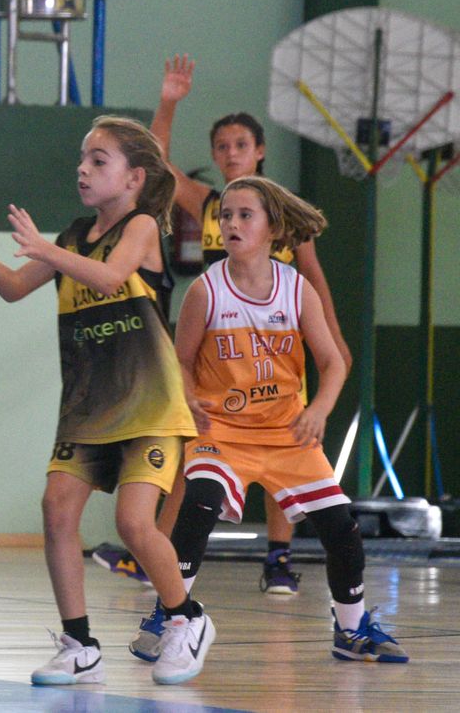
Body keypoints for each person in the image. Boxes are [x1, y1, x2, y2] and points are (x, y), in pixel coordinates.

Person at [0, 115, 212, 686]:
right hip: (87, 406)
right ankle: (79, 644)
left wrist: (46, 252)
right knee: (56, 512)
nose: (83, 168)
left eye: (98, 160)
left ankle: (187, 619)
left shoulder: (142, 228)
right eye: (82, 159)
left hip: (149, 402)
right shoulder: (72, 238)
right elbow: (12, 287)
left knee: (133, 522)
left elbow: (110, 279)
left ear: (133, 178)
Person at [94, 56, 352, 597]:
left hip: (274, 349)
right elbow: (157, 167)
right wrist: (168, 102)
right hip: (216, 347)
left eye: (241, 145)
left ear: (259, 151)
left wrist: (333, 339)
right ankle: (158, 558)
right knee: (197, 457)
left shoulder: (278, 213)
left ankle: (278, 557)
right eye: (222, 147)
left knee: (284, 444)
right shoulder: (212, 205)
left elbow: (313, 275)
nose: (231, 153)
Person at [128, 176, 407, 666]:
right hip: (223, 431)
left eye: (244, 215)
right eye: (226, 215)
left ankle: (351, 628)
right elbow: (182, 359)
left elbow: (335, 361)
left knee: (341, 527)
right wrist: (190, 398)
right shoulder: (206, 291)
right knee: (199, 501)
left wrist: (318, 410)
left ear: (273, 227)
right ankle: (170, 615)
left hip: (286, 431)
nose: (231, 223)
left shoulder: (296, 290)